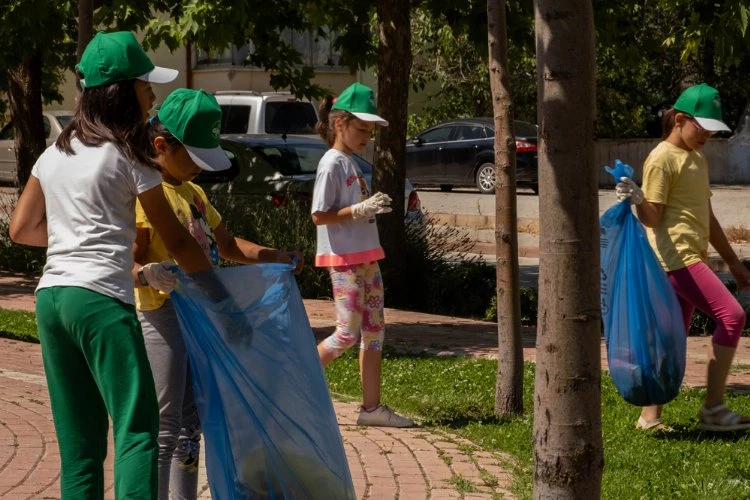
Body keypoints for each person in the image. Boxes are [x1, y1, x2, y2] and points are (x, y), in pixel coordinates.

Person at [8, 31, 221, 498]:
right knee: (138, 430)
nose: (153, 94)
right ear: (122, 92)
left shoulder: (53, 154)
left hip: (52, 301)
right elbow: (179, 242)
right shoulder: (132, 156)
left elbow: (20, 230)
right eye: (147, 85)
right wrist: (220, 297)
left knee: (80, 443)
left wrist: (74, 238)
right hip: (102, 302)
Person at [133, 88, 304, 500]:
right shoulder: (149, 194)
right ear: (161, 146)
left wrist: (274, 255)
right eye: (193, 158)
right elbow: (130, 257)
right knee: (166, 422)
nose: (199, 169)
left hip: (199, 319)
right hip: (162, 317)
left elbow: (225, 245)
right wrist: (145, 275)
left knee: (191, 425)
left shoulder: (194, 195)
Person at [617, 83, 750, 432]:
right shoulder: (661, 159)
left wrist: (733, 262)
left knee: (672, 336)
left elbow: (707, 218)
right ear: (679, 119)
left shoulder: (696, 158)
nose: (707, 134)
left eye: (712, 129)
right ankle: (714, 410)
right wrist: (636, 198)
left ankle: (649, 416)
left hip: (690, 256)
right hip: (676, 258)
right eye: (701, 126)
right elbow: (653, 218)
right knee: (733, 316)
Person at [311, 82, 414, 428]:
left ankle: (371, 409)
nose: (367, 138)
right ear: (339, 123)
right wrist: (358, 210)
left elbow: (350, 210)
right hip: (345, 261)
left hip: (366, 257)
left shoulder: (350, 162)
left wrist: (364, 209)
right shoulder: (332, 164)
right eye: (362, 130)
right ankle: (292, 381)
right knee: (347, 332)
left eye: (370, 132)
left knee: (375, 331)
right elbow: (319, 214)